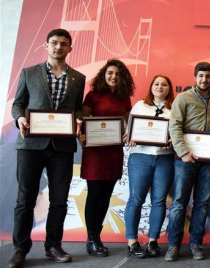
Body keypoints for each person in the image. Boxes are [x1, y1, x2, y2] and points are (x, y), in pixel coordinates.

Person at [8, 29, 85, 268]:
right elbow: (18, 104)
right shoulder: (29, 73)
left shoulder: (78, 78)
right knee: (25, 200)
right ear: (46, 45)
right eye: (54, 43)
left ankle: (53, 245)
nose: (58, 47)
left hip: (62, 146)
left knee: (59, 200)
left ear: (70, 48)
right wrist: (20, 119)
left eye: (64, 44)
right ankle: (20, 248)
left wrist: (80, 119)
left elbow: (78, 108)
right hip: (31, 144)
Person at [165, 62, 210, 262]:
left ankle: (196, 244)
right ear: (195, 77)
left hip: (208, 161)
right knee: (179, 203)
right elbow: (175, 125)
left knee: (202, 204)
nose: (204, 79)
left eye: (208, 76)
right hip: (185, 160)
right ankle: (173, 245)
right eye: (201, 76)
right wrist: (183, 152)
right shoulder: (183, 98)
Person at [80, 59, 134, 257]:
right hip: (95, 153)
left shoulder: (124, 97)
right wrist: (82, 135)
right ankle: (91, 238)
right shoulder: (93, 96)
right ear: (104, 75)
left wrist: (127, 133)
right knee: (94, 195)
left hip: (113, 152)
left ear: (123, 78)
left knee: (105, 196)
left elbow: (128, 124)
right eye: (110, 73)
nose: (114, 77)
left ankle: (97, 236)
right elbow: (83, 122)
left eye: (118, 74)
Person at [125, 75, 176, 258]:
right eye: (157, 84)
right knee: (136, 199)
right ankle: (132, 241)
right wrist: (129, 137)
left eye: (164, 84)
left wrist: (171, 141)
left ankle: (153, 241)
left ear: (169, 88)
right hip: (140, 156)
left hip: (165, 159)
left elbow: (178, 132)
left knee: (159, 201)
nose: (160, 87)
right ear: (151, 87)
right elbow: (129, 130)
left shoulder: (175, 108)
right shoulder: (140, 105)